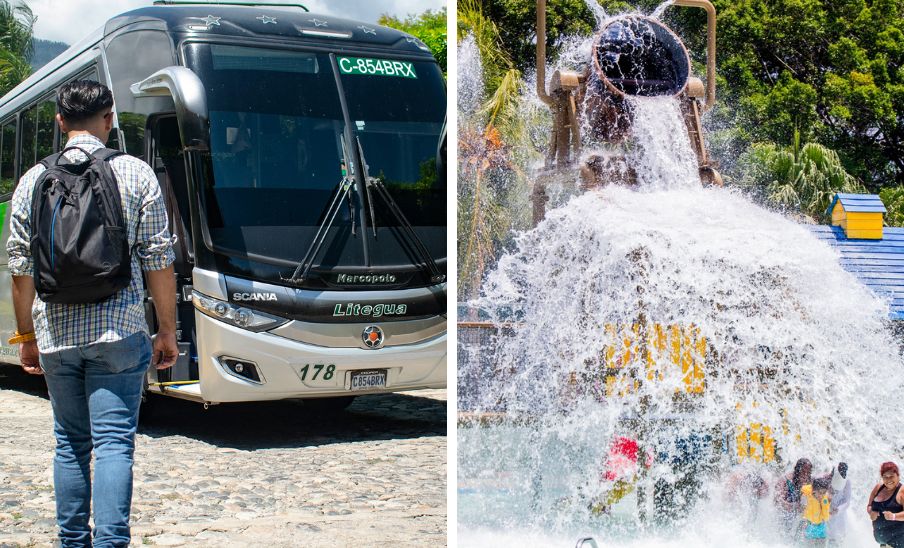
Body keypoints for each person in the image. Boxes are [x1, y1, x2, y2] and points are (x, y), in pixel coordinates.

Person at [6, 80, 178, 547]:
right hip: (119, 331)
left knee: (70, 444)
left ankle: (71, 542)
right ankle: (110, 543)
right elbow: (159, 259)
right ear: (109, 119)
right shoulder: (135, 173)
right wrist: (166, 330)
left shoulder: (31, 181)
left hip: (57, 334)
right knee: (114, 443)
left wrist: (28, 338)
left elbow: (20, 270)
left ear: (60, 122)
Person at [869, 461, 904, 548]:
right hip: (884, 543)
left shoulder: (902, 492)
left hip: (898, 542)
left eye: (891, 476)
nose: (888, 480)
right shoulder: (878, 488)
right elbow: (869, 505)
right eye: (885, 477)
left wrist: (894, 516)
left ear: (898, 476)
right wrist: (871, 512)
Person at [774, 457, 812, 538]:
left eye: (808, 472)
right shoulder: (785, 480)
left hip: (799, 516)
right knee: (785, 533)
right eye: (803, 471)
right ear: (797, 470)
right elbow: (777, 501)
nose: (806, 474)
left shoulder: (810, 482)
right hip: (784, 514)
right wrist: (793, 506)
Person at [826, 462, 851, 545]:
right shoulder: (827, 477)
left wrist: (838, 509)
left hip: (840, 513)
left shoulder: (847, 481)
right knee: (827, 535)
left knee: (839, 536)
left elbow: (847, 501)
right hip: (826, 510)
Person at [801, 477, 832, 543]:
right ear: (814, 490)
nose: (822, 495)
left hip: (821, 526)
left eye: (824, 493)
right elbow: (801, 510)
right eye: (820, 492)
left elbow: (826, 512)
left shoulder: (824, 498)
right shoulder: (806, 497)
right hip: (809, 526)